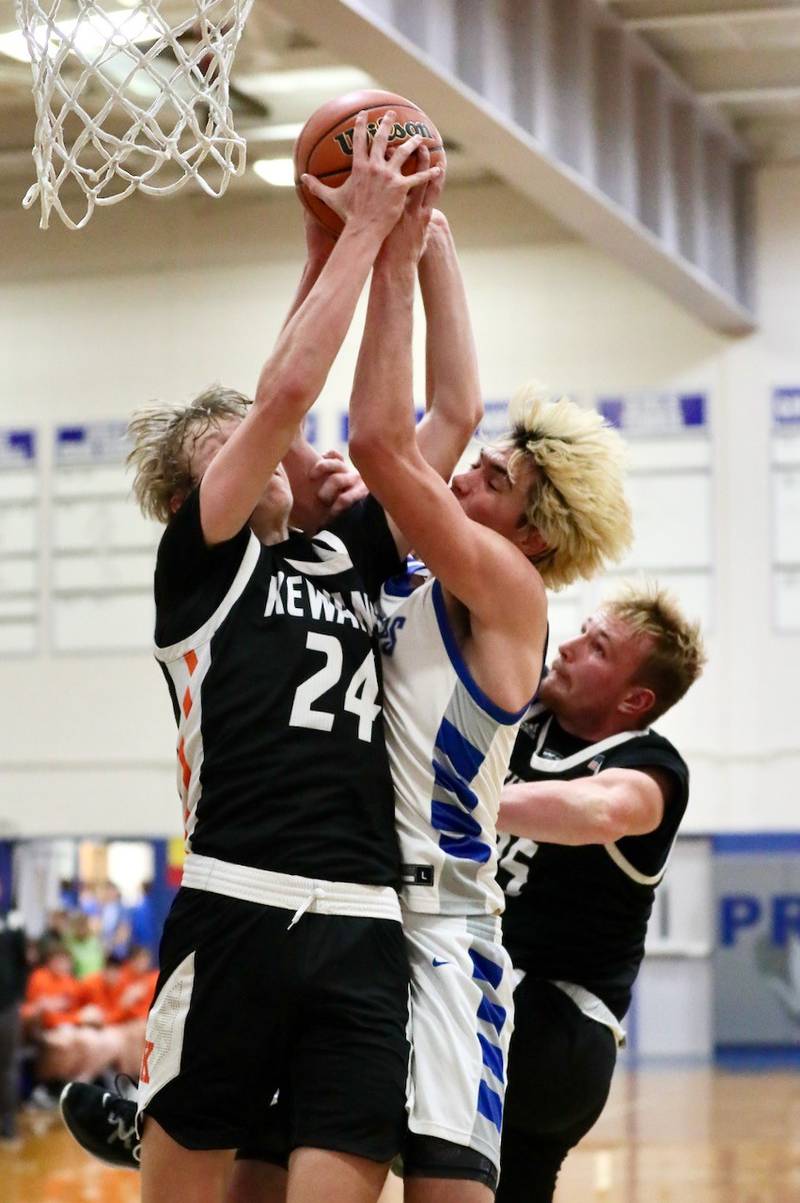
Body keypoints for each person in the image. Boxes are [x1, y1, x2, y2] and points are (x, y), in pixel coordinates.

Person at [61, 110, 442, 1203]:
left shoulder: (343, 556)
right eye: (227, 449)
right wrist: (363, 230)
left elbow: (389, 430)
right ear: (198, 493)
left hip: (365, 922)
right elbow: (280, 396)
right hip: (237, 905)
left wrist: (367, 256)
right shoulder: (199, 565)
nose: (266, 444)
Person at [326, 157, 632, 1200]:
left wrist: (386, 250)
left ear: (532, 535)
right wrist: (433, 229)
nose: (464, 473)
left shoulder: (503, 586)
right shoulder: (436, 566)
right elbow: (452, 401)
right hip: (354, 919)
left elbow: (377, 438)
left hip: (447, 932)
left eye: (492, 481)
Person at [494, 582, 706, 1203]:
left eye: (597, 648)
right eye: (583, 630)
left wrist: (463, 801)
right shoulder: (522, 709)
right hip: (488, 990)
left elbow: (601, 812)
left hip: (556, 1025)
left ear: (634, 699)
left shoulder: (651, 768)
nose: (568, 646)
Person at [0, 879, 27, 1145]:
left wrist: (18, 997)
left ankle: (8, 1124)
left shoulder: (13, 922)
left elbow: (22, 963)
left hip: (7, 1006)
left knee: (8, 1066)